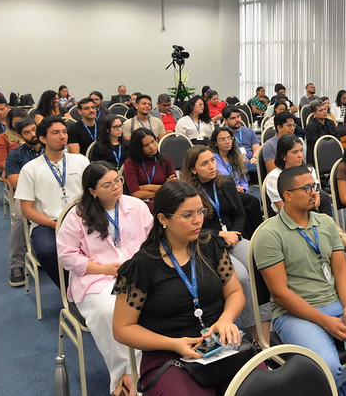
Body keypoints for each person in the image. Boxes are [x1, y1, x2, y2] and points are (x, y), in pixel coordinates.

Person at [253, 166, 346, 394]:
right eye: (307, 188)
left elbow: (342, 271)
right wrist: (324, 320)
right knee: (327, 366)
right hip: (294, 313)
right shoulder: (269, 234)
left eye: (314, 186)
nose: (315, 192)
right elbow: (280, 293)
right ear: (287, 195)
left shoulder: (326, 223)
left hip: (335, 302)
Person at [112, 181, 245, 395]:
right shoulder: (143, 265)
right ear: (163, 219)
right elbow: (122, 328)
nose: (198, 220)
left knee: (259, 387)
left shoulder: (210, 245)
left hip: (218, 341)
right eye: (187, 215)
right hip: (168, 354)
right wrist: (174, 344)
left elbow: (235, 292)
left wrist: (225, 319)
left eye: (201, 212)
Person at [57, 163, 152, 396]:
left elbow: (152, 241)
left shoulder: (136, 206)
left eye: (118, 181)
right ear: (92, 191)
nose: (116, 187)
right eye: (107, 185)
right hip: (95, 279)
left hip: (137, 272)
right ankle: (126, 375)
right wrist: (103, 269)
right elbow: (66, 256)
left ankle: (152, 367)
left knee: (162, 299)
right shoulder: (77, 215)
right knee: (113, 312)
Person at [181, 146, 269, 339]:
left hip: (233, 239)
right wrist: (221, 234)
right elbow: (193, 227)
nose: (212, 166)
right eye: (204, 163)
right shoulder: (188, 193)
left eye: (212, 161)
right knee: (243, 276)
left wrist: (236, 234)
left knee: (259, 261)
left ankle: (266, 323)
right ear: (193, 169)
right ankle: (253, 329)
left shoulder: (226, 182)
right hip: (207, 244)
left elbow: (240, 212)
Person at [14, 116, 90, 289]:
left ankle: (94, 285)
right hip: (48, 224)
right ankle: (71, 291)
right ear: (42, 138)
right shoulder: (30, 169)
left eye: (64, 132)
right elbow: (26, 210)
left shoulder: (81, 161)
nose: (62, 136)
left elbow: (92, 195)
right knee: (47, 251)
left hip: (82, 218)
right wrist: (55, 225)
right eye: (55, 133)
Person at [3, 117, 42, 287]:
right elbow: (16, 182)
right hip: (29, 197)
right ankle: (16, 264)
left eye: (34, 129)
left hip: (55, 193)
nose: (33, 134)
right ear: (20, 136)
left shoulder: (51, 148)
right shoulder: (15, 155)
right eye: (27, 132)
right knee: (20, 217)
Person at [265, 134, 334, 217]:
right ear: (283, 155)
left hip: (312, 211)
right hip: (290, 218)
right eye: (295, 152)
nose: (300, 155)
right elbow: (283, 209)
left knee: (324, 197)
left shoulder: (309, 170)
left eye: (301, 150)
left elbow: (316, 194)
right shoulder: (274, 177)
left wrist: (314, 197)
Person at [123, 128, 177, 212]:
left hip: (165, 203)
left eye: (153, 141)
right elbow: (136, 193)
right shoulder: (130, 163)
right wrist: (164, 187)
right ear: (138, 148)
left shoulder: (165, 160)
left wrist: (145, 187)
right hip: (140, 205)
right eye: (146, 145)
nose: (152, 147)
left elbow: (173, 187)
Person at [223, 107, 261, 176]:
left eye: (238, 116)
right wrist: (236, 159)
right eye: (233, 118)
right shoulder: (223, 135)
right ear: (225, 120)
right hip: (235, 164)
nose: (237, 120)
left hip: (251, 162)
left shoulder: (249, 131)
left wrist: (255, 158)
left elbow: (257, 148)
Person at [210, 127, 250, 193]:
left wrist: (243, 189)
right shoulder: (212, 160)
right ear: (215, 143)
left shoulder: (236, 157)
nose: (227, 142)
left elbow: (244, 182)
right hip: (223, 194)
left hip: (238, 193)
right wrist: (232, 190)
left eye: (229, 138)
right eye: (222, 139)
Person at [0, 108, 27, 174]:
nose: (19, 125)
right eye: (15, 123)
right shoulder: (2, 137)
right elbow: (1, 161)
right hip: (13, 168)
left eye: (21, 122)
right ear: (10, 124)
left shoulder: (35, 134)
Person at [305, 100, 337, 165]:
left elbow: (337, 138)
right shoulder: (311, 126)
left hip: (332, 151)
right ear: (314, 113)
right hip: (318, 155)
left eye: (325, 109)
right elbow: (316, 145)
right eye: (320, 110)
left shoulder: (330, 122)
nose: (324, 112)